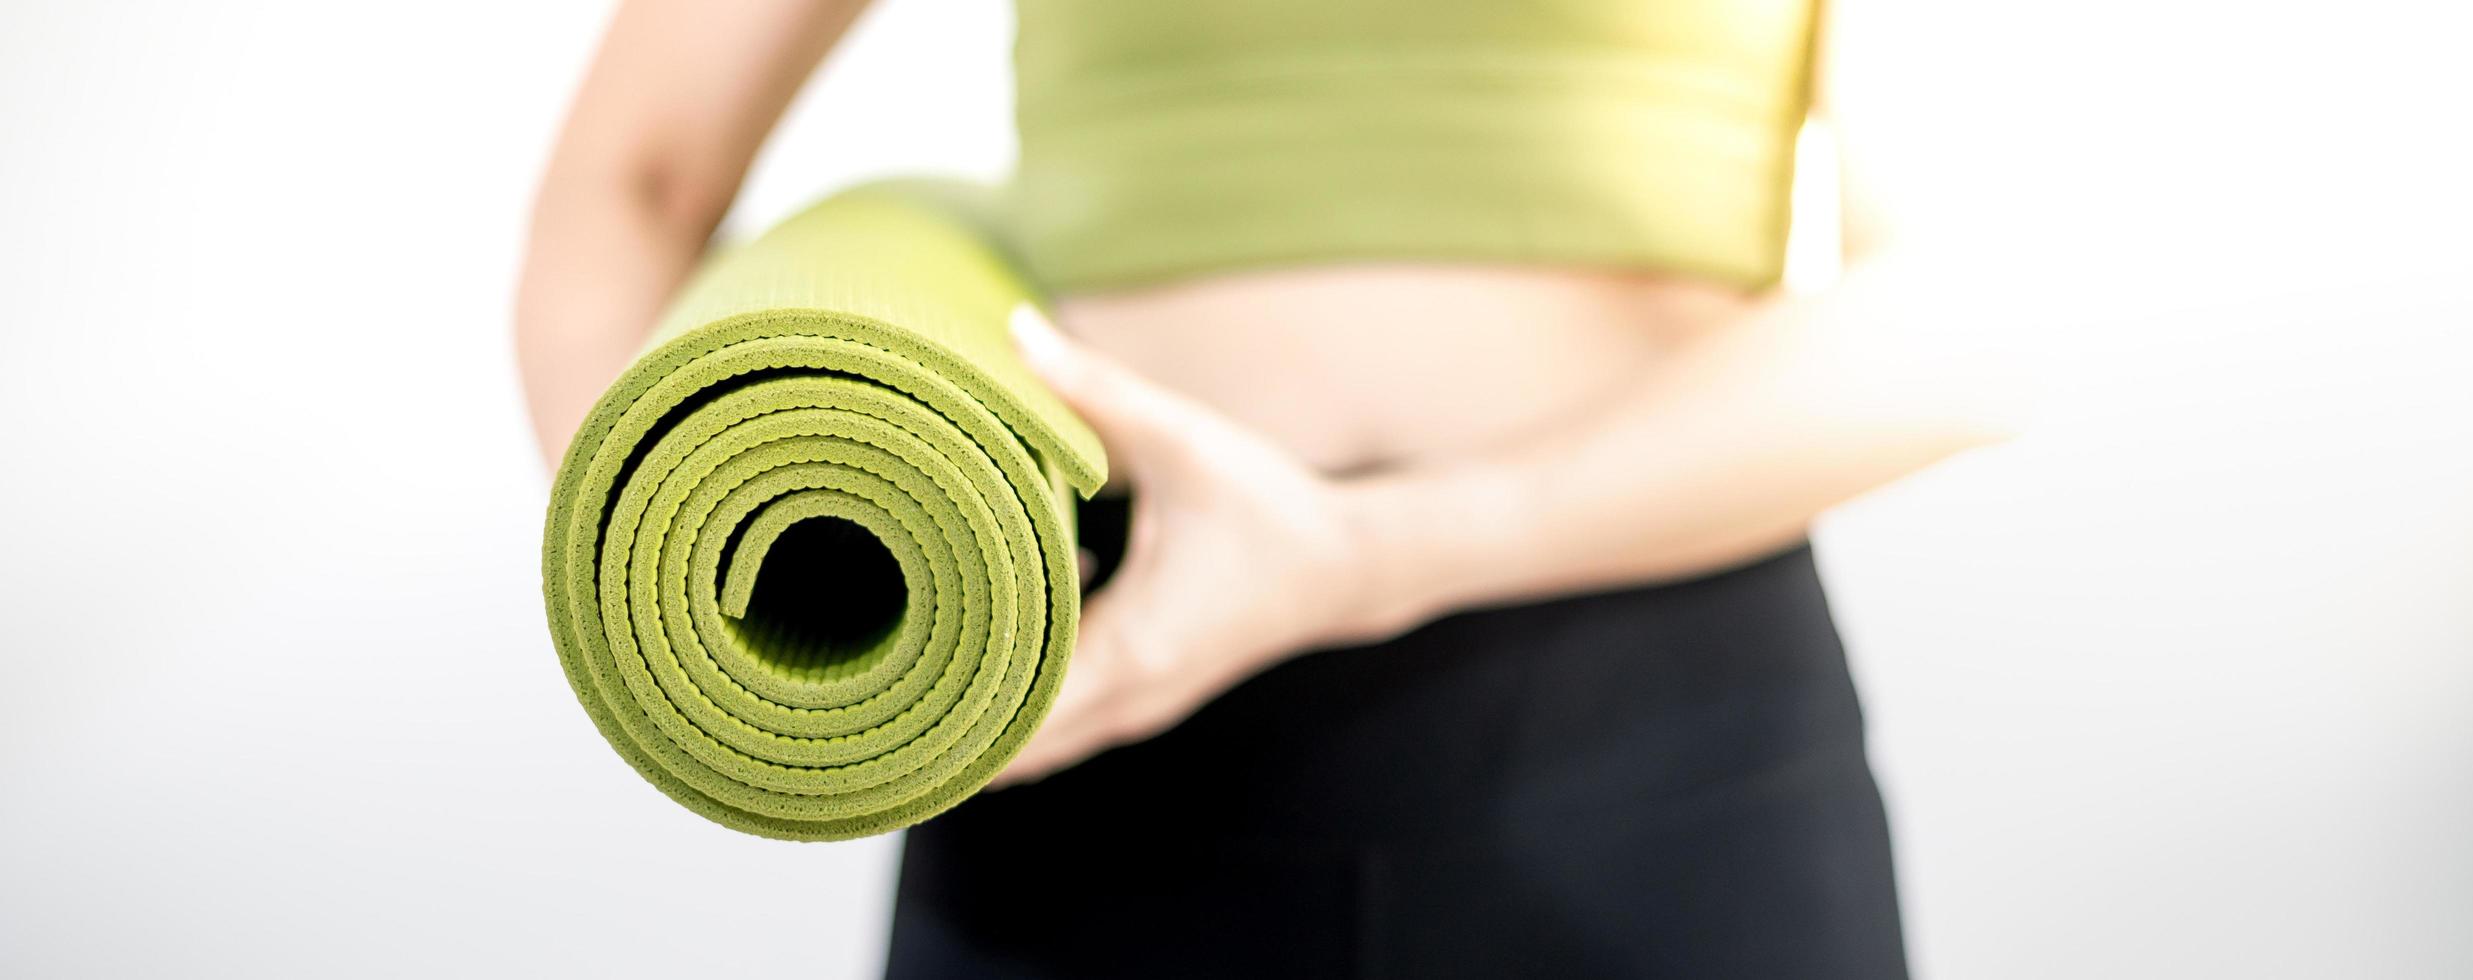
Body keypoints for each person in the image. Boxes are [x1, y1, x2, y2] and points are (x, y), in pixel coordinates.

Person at [517, 1, 2022, 975]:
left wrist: (1378, 549)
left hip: (1657, 762)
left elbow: (1978, 315)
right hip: (1086, 731)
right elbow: (631, 187)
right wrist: (699, 595)